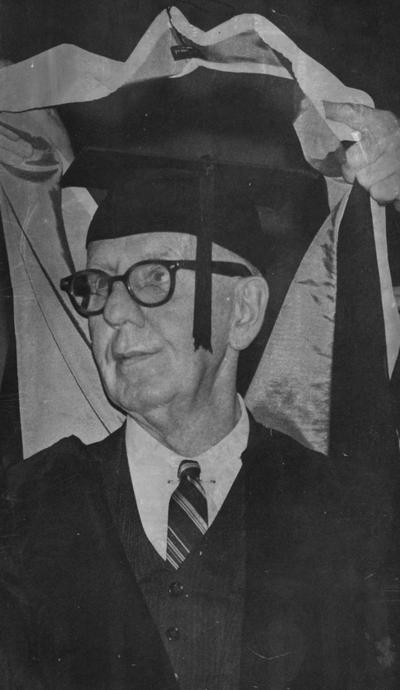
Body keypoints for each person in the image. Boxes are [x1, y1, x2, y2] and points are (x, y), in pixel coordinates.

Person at [0, 102, 399, 690]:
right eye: (96, 285)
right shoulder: (25, 506)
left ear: (243, 311)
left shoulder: (339, 510)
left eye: (154, 278)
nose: (112, 313)